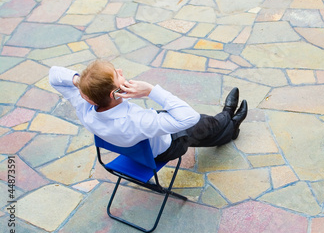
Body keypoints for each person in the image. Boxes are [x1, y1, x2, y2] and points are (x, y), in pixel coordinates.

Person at [49, 59, 248, 163]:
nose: (121, 72)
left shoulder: (84, 105)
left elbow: (53, 75)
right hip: (163, 149)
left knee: (190, 123)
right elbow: (190, 117)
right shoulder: (137, 120)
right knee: (202, 123)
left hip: (134, 147)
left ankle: (230, 128)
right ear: (115, 93)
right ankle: (228, 118)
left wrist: (81, 83)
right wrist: (151, 90)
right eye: (117, 75)